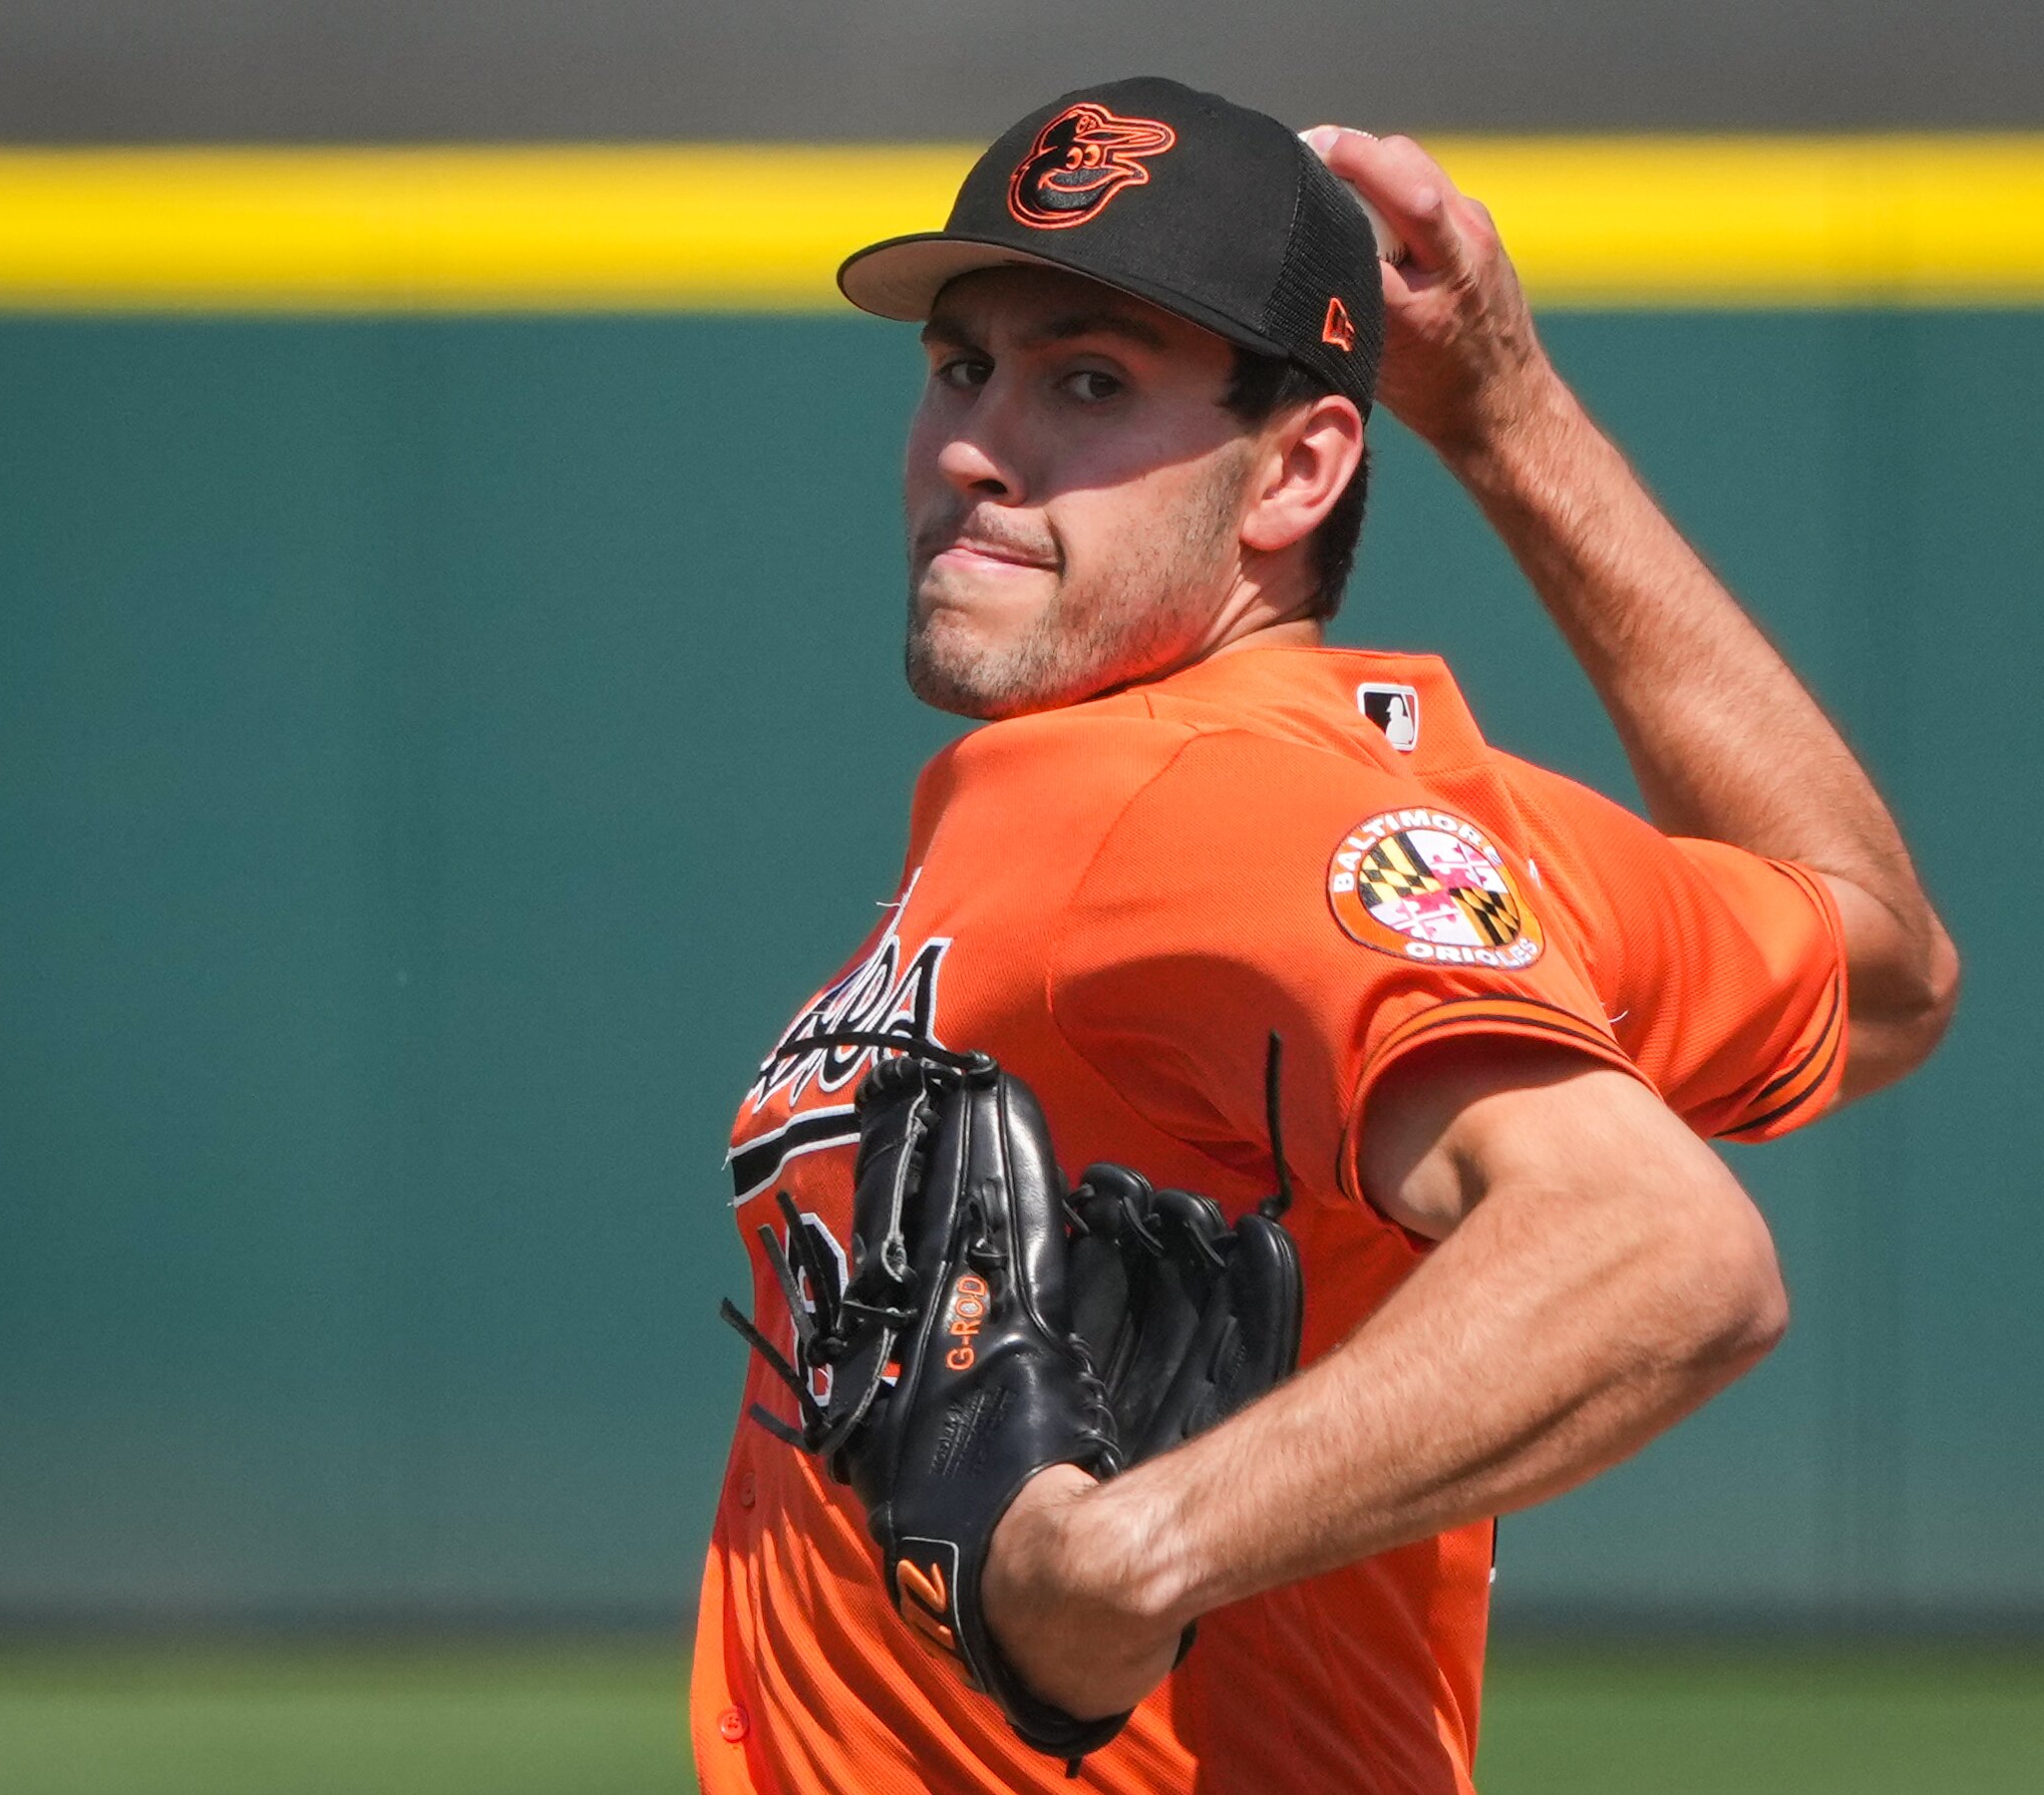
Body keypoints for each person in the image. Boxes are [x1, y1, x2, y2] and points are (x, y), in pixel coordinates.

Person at [692, 75, 1958, 1795]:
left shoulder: (1199, 805)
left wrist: (1131, 1554)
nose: (976, 447)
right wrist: (1509, 422)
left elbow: (1663, 1253)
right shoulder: (1435, 830)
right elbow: (1879, 968)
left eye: (1087, 382)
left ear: (1297, 471)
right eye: (962, 366)